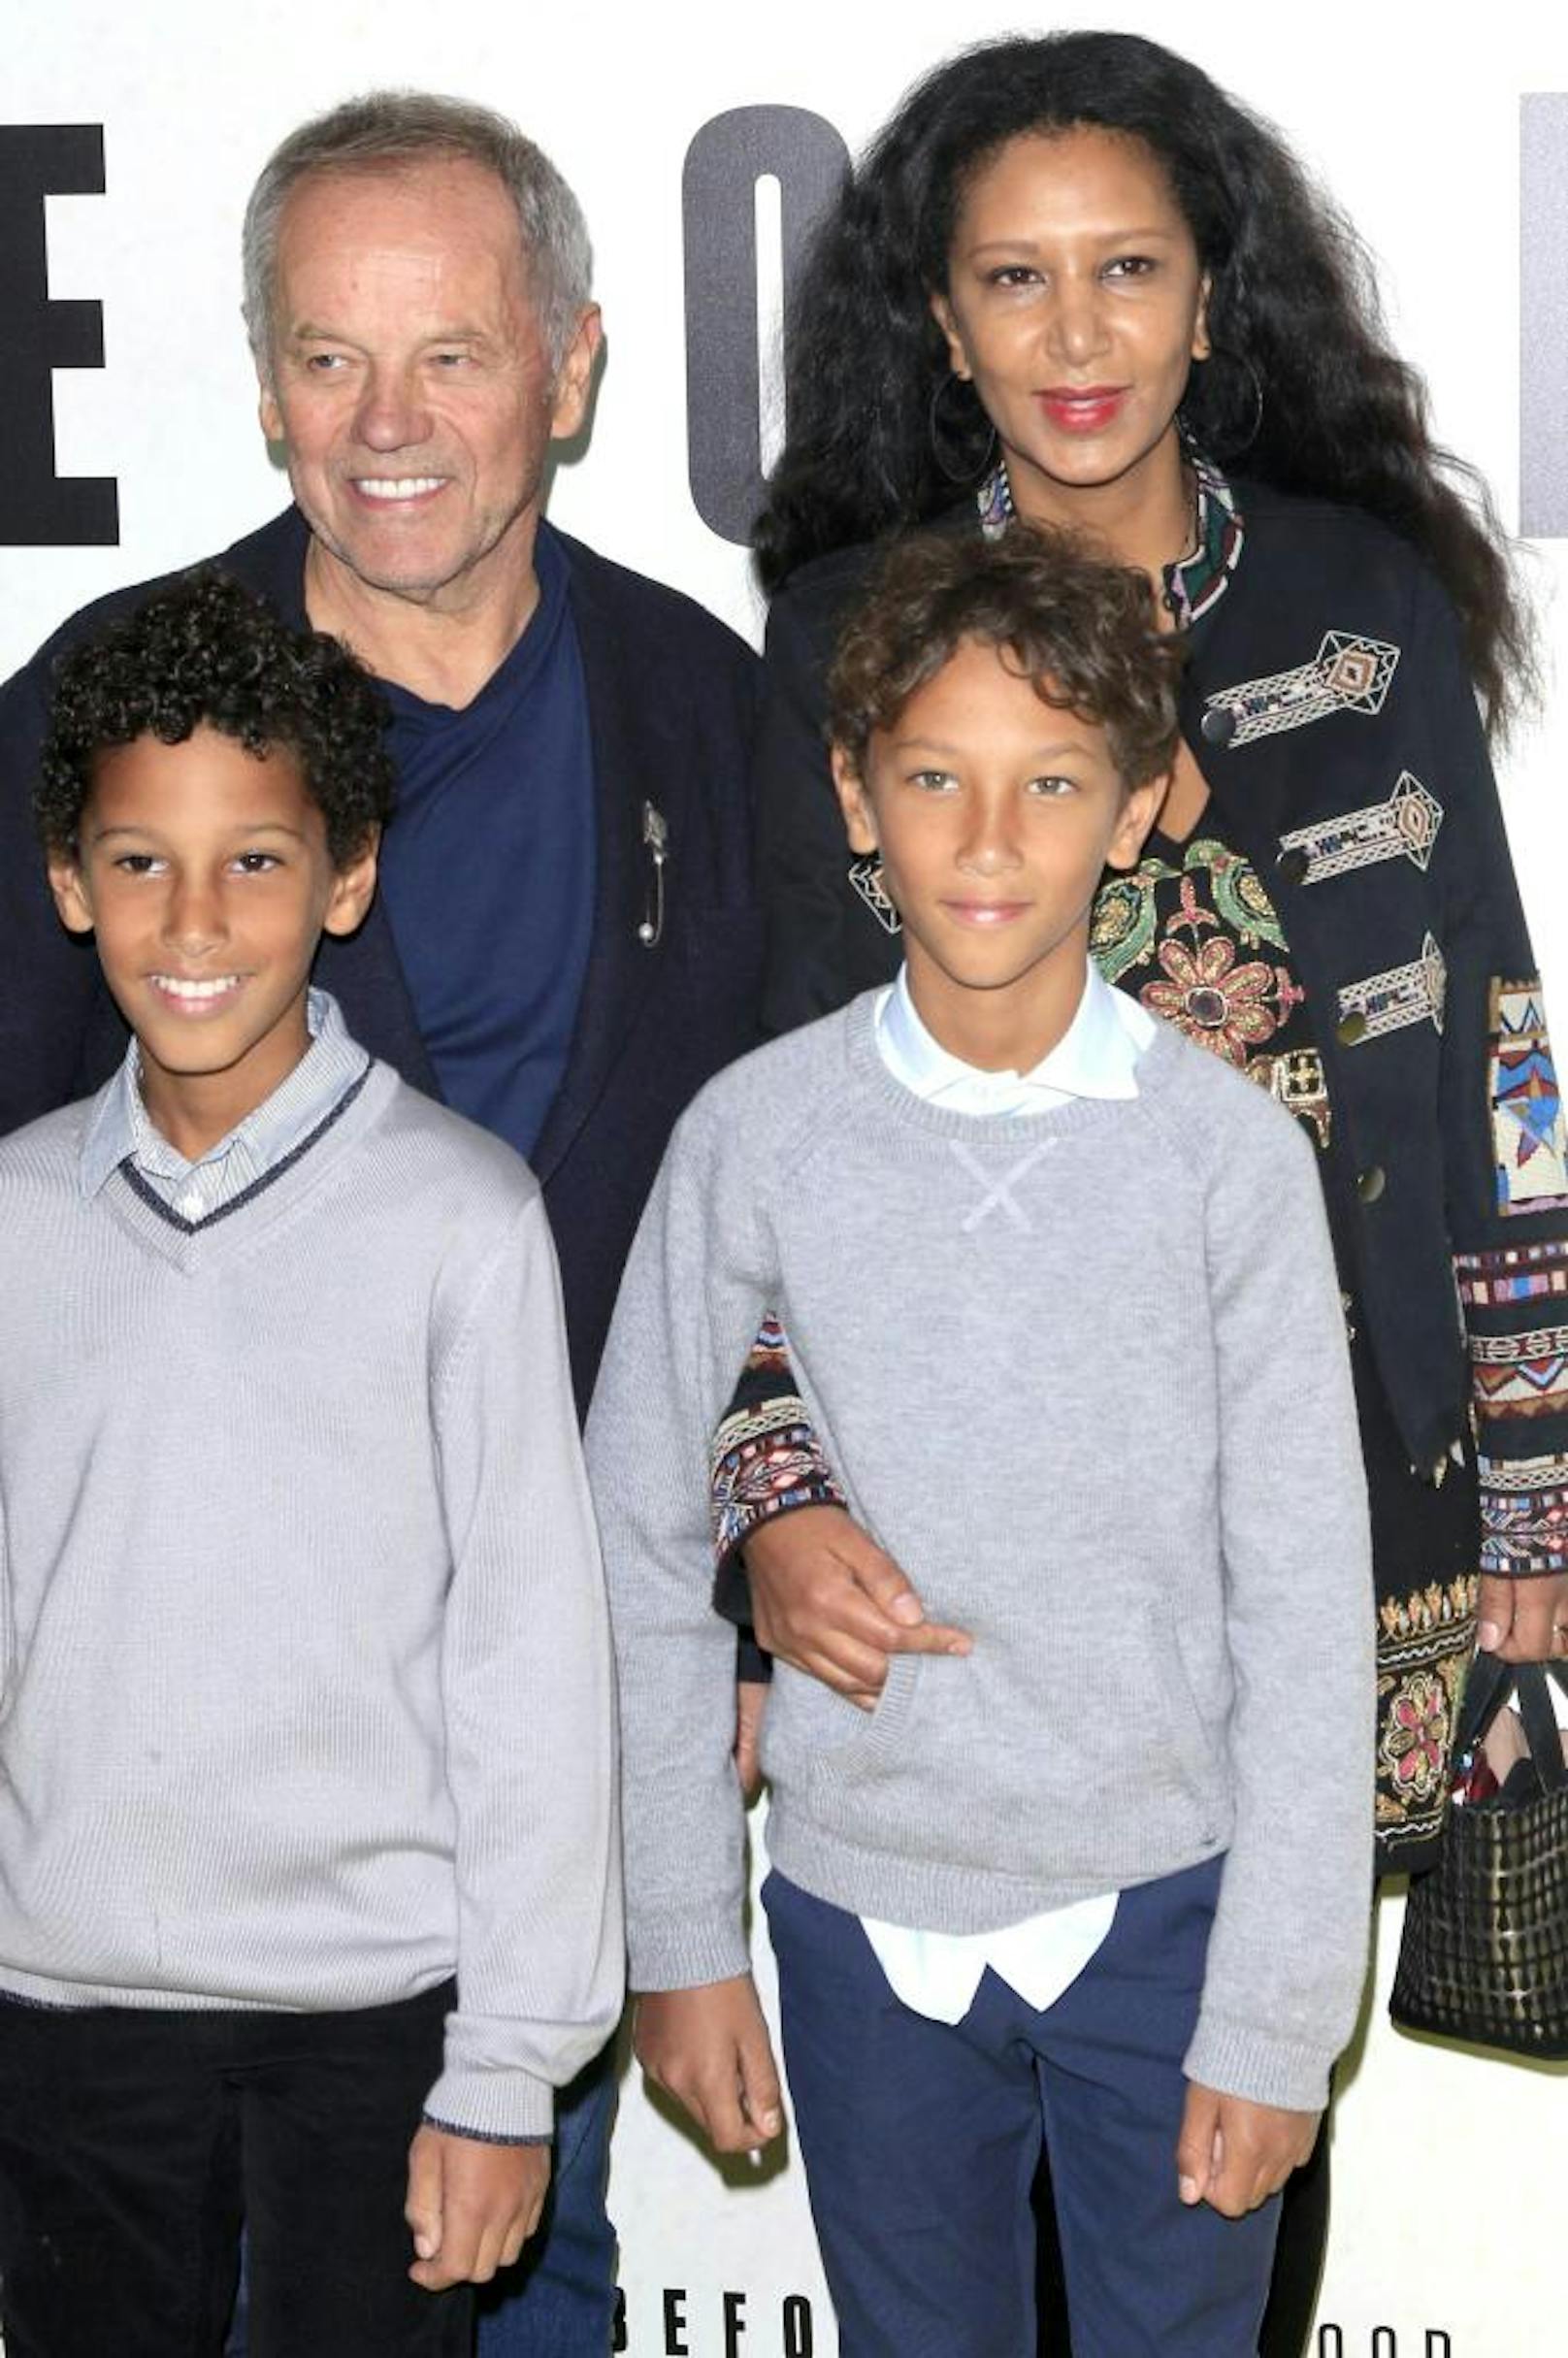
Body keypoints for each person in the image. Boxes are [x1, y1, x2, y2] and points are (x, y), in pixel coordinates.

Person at [710, 34, 1568, 2351]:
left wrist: (1534, 1490)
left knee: (1232, 2170)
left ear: (1214, 301)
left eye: (1126, 273)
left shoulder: (1364, 610)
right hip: (980, 1567)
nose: (1075, 339)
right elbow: (759, 1167)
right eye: (1015, 279)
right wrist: (770, 1505)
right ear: (939, 321)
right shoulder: (839, 652)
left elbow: (1495, 1060)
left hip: (1346, 1526)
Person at [0, 91, 762, 2353]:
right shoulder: (116, 720)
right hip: (168, 1820)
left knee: (520, 2276)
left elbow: (796, 1199)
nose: (389, 423)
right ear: (260, 392)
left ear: (576, 366)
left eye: (451, 353)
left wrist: (738, 1554)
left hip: (546, 1730)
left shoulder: (709, 717)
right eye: (330, 359)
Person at [593, 525, 1376, 2358]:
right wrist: (684, 1935)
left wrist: (1276, 2018)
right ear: (858, 800)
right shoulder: (753, 1137)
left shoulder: (1226, 1160)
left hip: (1170, 1923)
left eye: (1051, 784)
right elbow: (636, 1547)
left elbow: (1307, 1608)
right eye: (936, 779)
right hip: (863, 1928)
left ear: (1134, 810)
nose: (992, 838)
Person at [0, 570, 621, 2358]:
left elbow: (529, 1665)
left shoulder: (461, 1223)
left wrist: (508, 2070)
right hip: (64, 2020)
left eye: (256, 859)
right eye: (138, 858)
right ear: (67, 881)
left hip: (380, 2031)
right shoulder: (20, 1216)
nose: (194, 915)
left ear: (348, 877)